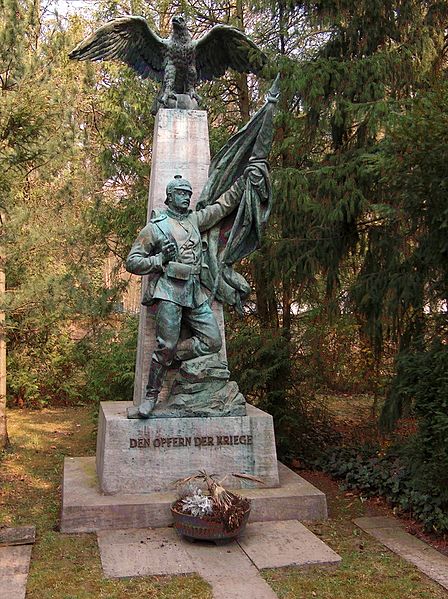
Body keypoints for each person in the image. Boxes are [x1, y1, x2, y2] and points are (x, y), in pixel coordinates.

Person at [126, 173, 245, 417]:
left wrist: (242, 183)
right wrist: (160, 259)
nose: (187, 198)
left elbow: (221, 207)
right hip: (169, 290)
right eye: (181, 193)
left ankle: (172, 356)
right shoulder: (155, 227)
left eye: (189, 194)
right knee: (164, 345)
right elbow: (132, 262)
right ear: (170, 196)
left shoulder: (194, 220)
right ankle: (150, 397)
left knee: (212, 341)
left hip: (194, 291)